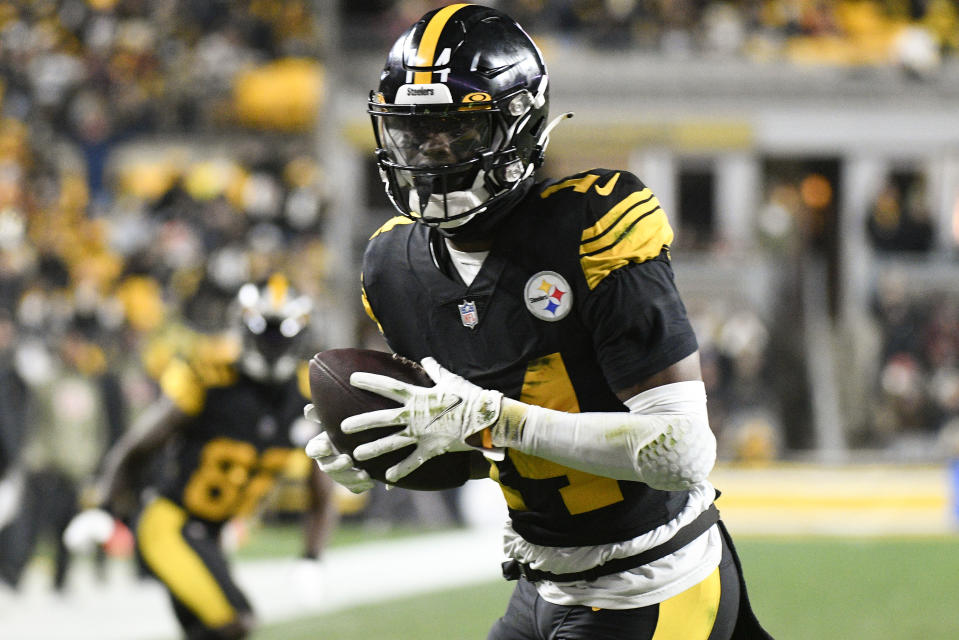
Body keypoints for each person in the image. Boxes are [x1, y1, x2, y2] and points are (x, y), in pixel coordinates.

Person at [307, 4, 773, 639]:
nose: (430, 155)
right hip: (542, 582)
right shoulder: (393, 267)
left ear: (519, 125)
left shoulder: (593, 228)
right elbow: (496, 451)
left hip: (652, 578)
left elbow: (680, 453)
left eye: (457, 132)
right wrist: (395, 445)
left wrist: (496, 419)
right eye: (413, 134)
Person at [66, 273, 335, 640]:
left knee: (208, 630)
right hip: (169, 523)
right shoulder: (209, 376)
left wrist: (312, 557)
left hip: (212, 533)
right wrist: (105, 507)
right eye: (265, 333)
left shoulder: (307, 394)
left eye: (280, 335)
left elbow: (321, 493)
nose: (272, 345)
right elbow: (137, 447)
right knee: (236, 621)